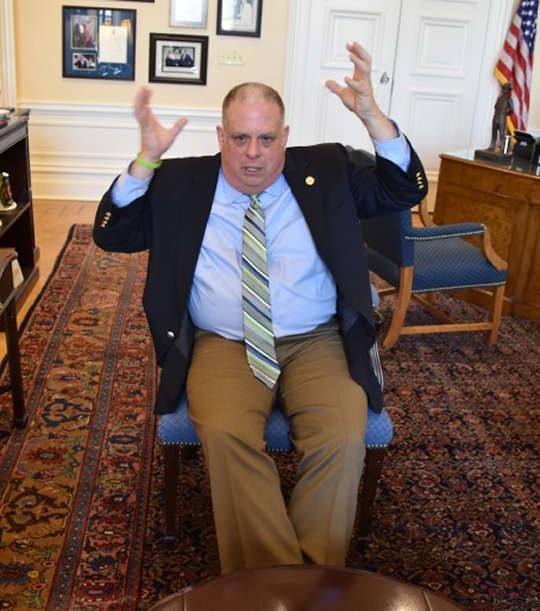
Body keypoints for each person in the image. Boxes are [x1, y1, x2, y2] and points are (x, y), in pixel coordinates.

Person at [93, 42, 428, 574]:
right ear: (221, 137)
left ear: (285, 138)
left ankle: (297, 588)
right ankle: (283, 587)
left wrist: (371, 114)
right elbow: (114, 236)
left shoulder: (328, 169)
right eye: (241, 138)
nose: (253, 153)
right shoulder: (181, 182)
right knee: (224, 430)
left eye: (266, 138)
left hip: (314, 338)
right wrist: (144, 162)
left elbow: (403, 188)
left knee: (343, 432)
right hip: (225, 341)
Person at [489, 82, 514, 151]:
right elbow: (495, 106)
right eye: (503, 88)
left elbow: (512, 110)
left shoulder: (509, 99)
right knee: (494, 133)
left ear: (508, 90)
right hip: (495, 117)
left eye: (505, 88)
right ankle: (492, 146)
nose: (504, 90)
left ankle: (502, 148)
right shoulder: (499, 98)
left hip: (502, 119)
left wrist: (505, 114)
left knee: (502, 134)